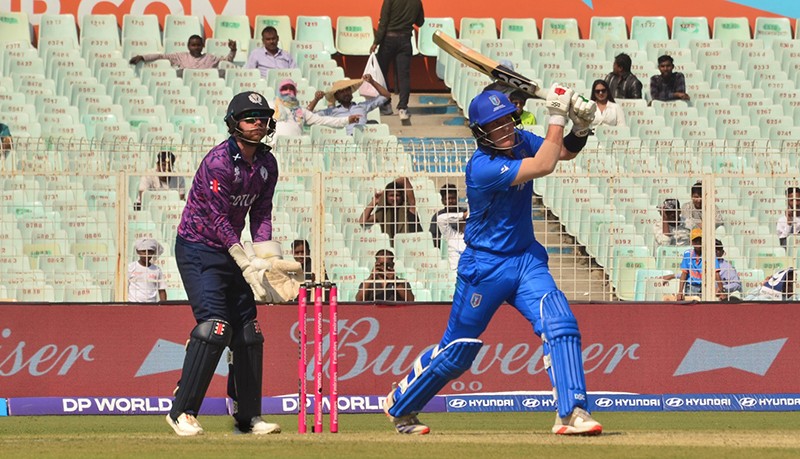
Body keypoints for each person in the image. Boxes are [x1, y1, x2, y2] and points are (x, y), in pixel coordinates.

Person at [382, 87, 602, 436]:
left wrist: (580, 129)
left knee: (560, 324)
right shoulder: (482, 168)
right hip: (485, 267)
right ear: (480, 131)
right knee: (458, 351)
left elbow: (559, 152)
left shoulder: (518, 140)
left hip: (526, 260)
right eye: (495, 124)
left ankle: (572, 412)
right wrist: (558, 115)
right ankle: (401, 406)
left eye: (507, 120)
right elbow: (544, 165)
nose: (504, 128)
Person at [168, 91, 302, 436]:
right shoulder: (218, 162)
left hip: (231, 251)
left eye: (262, 118)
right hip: (199, 249)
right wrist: (244, 261)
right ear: (233, 123)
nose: (258, 124)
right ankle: (181, 412)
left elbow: (260, 213)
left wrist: (266, 259)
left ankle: (248, 417)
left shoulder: (267, 164)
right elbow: (217, 219)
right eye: (249, 118)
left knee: (248, 332)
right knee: (215, 327)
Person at [370, 0, 425, 120]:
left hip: (388, 39)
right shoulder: (417, 2)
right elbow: (420, 22)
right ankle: (403, 108)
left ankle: (386, 104)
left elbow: (383, 21)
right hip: (405, 40)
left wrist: (376, 42)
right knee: (404, 75)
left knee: (381, 72)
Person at [272, 78, 359, 138]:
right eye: (284, 88)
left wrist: (347, 120)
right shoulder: (271, 106)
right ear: (279, 91)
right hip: (274, 147)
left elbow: (324, 120)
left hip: (295, 147)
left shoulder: (300, 111)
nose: (288, 91)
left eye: (291, 89)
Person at [308, 75, 391, 135]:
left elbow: (386, 96)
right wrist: (316, 99)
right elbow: (306, 116)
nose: (345, 93)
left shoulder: (362, 106)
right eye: (341, 92)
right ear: (336, 96)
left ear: (351, 92)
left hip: (364, 139)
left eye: (347, 90)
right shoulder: (331, 111)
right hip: (344, 142)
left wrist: (372, 82)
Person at [358, 176, 423, 244]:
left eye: (397, 195)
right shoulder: (383, 213)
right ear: (386, 197)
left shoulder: (409, 207)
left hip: (411, 244)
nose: (394, 198)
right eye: (391, 195)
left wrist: (386, 190)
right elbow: (363, 221)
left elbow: (404, 180)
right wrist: (375, 201)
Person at [128, 35, 236, 70]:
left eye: (198, 45)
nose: (196, 48)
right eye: (193, 45)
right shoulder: (180, 57)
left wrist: (233, 50)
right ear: (188, 46)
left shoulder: (210, 58)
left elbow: (227, 61)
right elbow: (161, 56)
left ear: (203, 46)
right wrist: (142, 57)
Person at [676, 228, 723, 301]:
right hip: (691, 286)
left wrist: (721, 290)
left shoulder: (710, 254)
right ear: (691, 242)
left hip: (706, 286)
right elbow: (684, 274)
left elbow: (716, 273)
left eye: (699, 240)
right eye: (695, 240)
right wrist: (680, 292)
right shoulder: (687, 254)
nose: (698, 242)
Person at [127, 238, 166, 302]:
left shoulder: (157, 270)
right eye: (143, 251)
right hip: (133, 305)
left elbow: (162, 290)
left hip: (151, 305)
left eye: (149, 251)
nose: (146, 254)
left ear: (153, 252)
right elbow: (124, 287)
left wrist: (164, 307)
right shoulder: (130, 267)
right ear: (138, 252)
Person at [429, 184, 467, 249]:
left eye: (453, 198)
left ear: (457, 199)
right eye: (448, 199)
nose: (451, 201)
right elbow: (435, 238)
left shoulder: (465, 213)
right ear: (442, 201)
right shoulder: (437, 216)